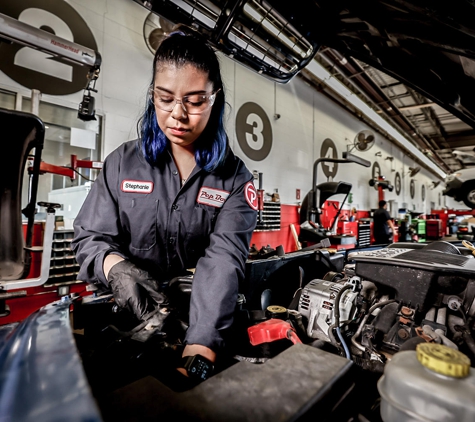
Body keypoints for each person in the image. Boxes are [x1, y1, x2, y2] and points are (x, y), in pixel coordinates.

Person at [71, 27, 258, 373]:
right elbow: (89, 237)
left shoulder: (235, 179)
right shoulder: (121, 164)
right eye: (165, 98)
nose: (178, 115)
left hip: (202, 322)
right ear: (152, 95)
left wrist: (199, 350)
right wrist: (116, 268)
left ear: (214, 98)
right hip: (129, 321)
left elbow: (223, 260)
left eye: (195, 100)